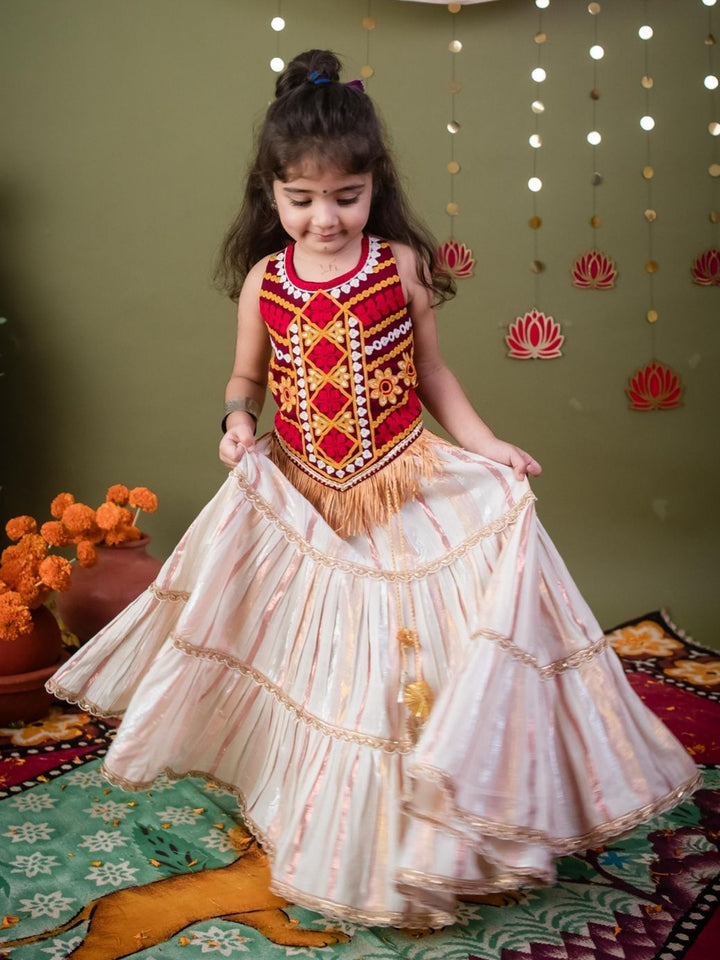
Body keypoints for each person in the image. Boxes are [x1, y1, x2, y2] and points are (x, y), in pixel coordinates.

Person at [48, 50, 700, 929]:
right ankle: (336, 825)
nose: (325, 219)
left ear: (373, 185)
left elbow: (434, 375)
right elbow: (246, 380)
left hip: (404, 486)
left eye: (345, 197)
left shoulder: (399, 266)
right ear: (270, 194)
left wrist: (488, 445)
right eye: (302, 200)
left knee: (417, 667)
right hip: (309, 501)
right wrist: (239, 424)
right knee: (335, 673)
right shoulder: (265, 281)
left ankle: (449, 833)